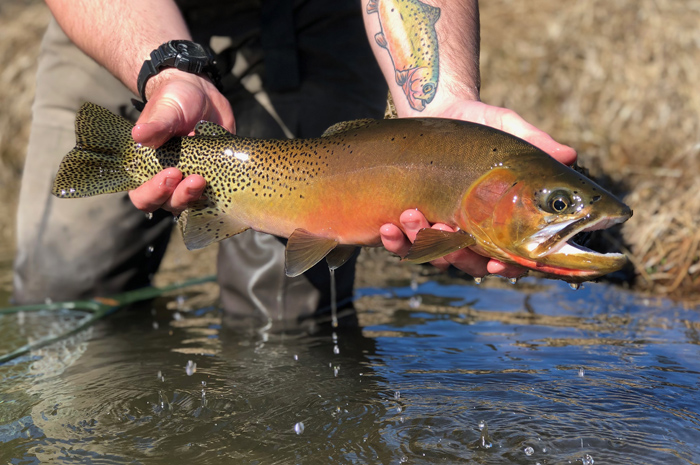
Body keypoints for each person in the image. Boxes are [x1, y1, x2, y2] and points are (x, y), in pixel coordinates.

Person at [13, 0, 576, 325]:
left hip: (313, 14)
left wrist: (440, 105)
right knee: (60, 286)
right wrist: (169, 66)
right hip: (119, 15)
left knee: (286, 320)